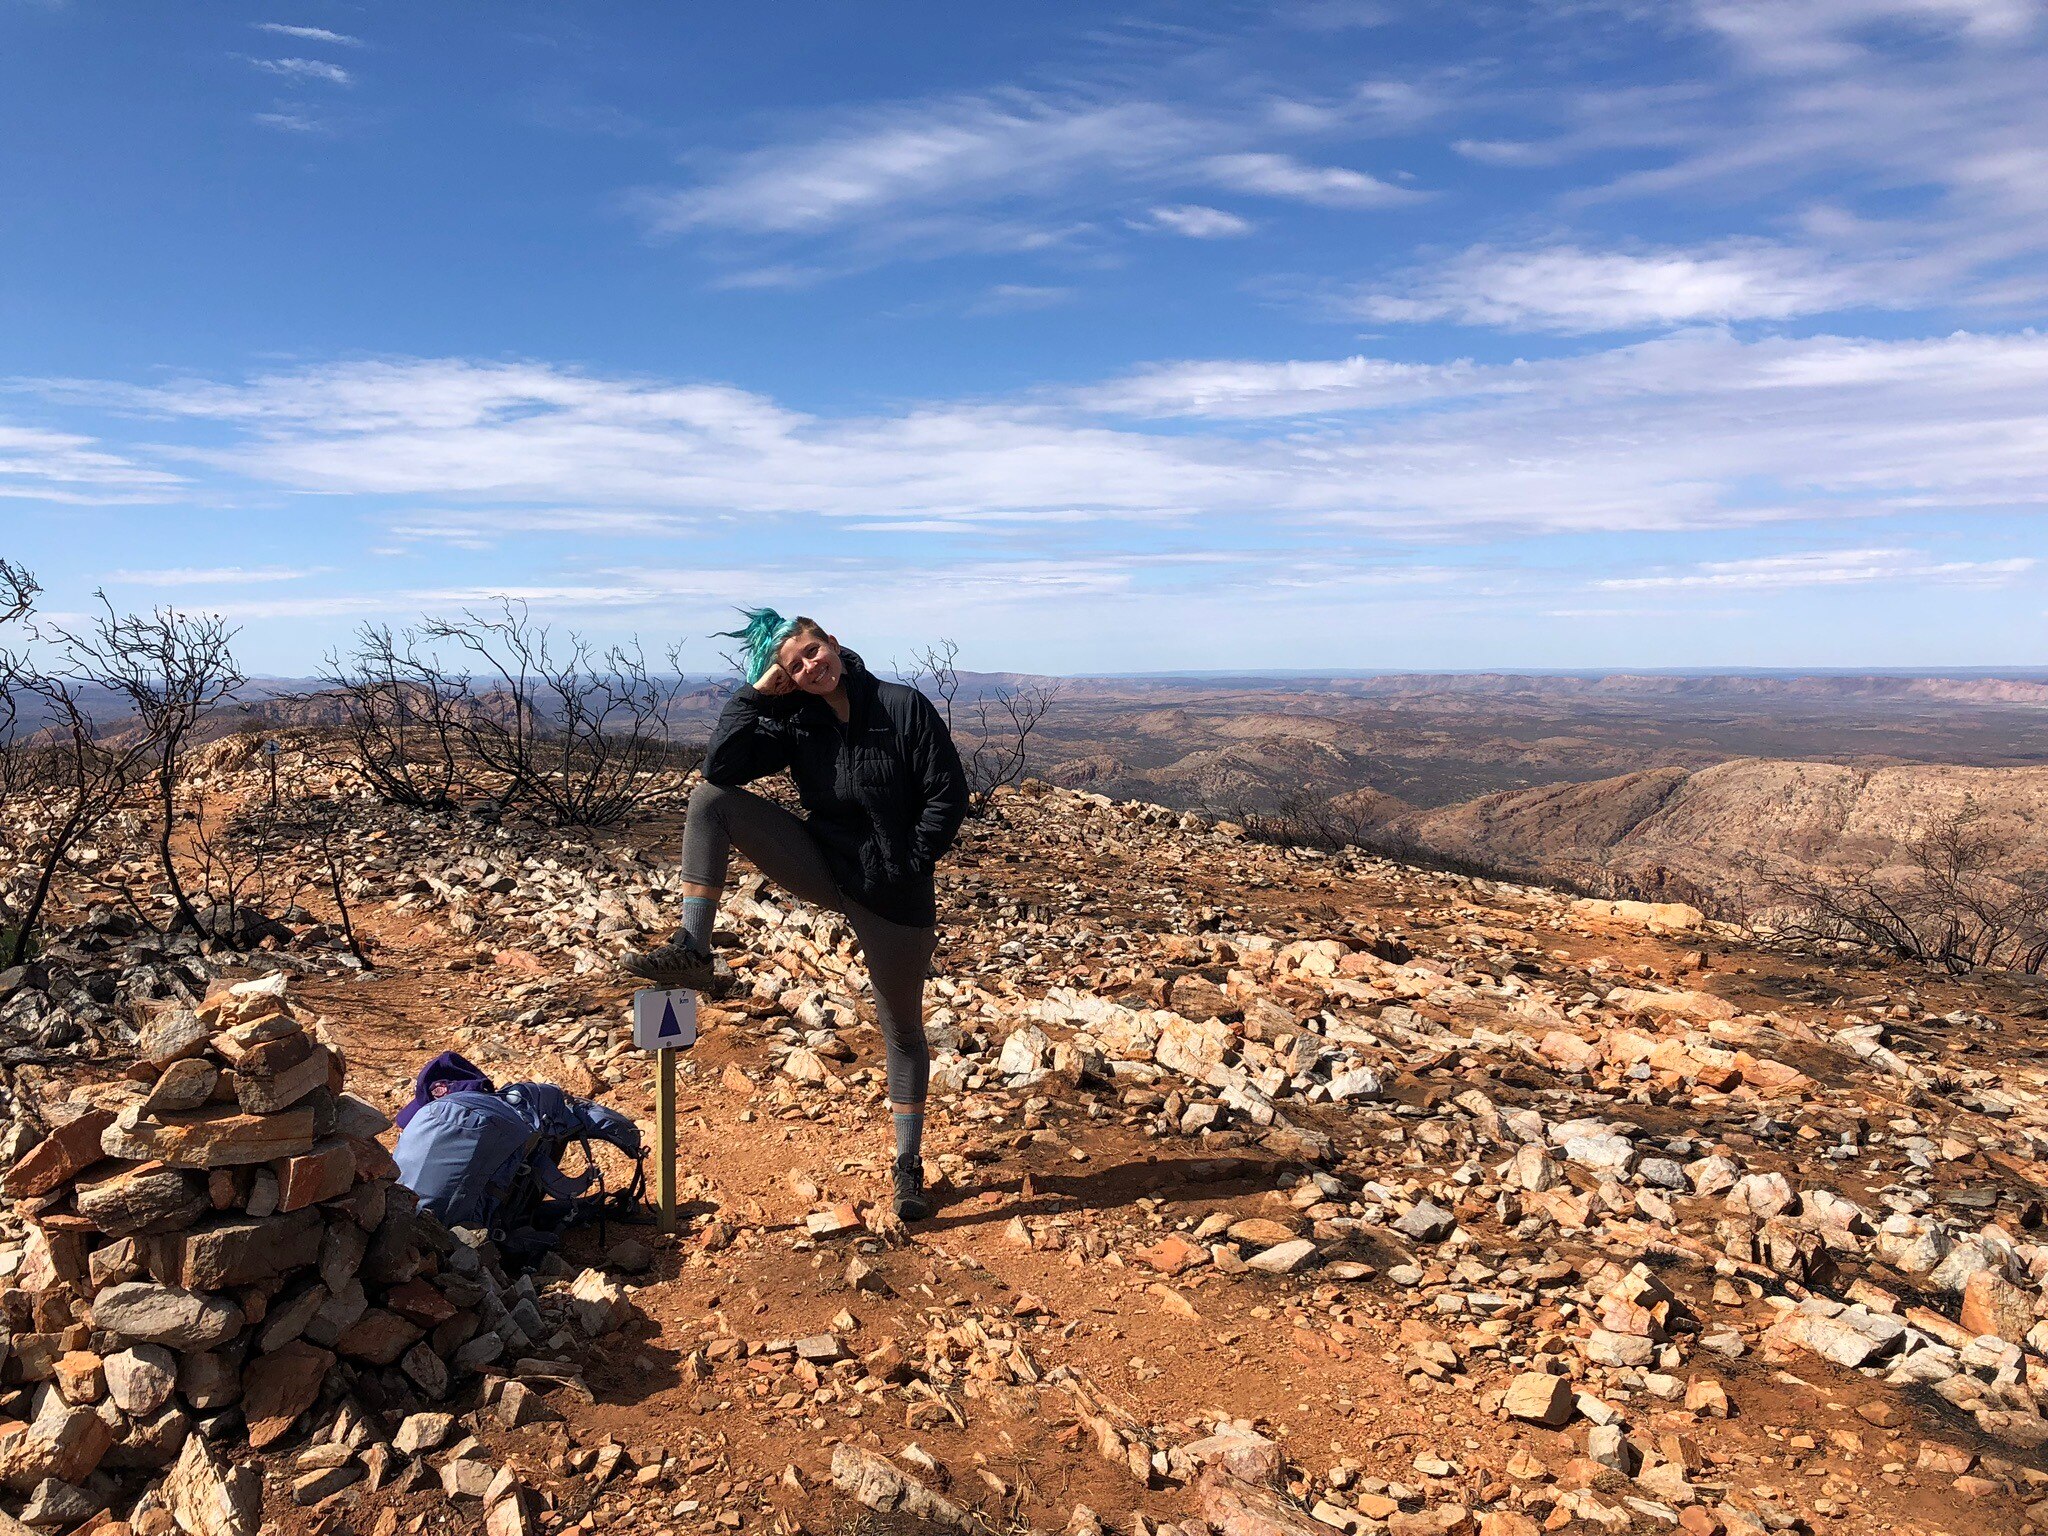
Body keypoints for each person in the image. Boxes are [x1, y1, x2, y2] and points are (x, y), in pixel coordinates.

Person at [623, 608, 969, 1221]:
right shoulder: (798, 721)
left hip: (894, 895)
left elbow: (947, 793)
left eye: (814, 651)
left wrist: (909, 861)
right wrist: (757, 694)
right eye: (794, 665)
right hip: (827, 867)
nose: (812, 667)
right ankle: (693, 947)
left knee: (903, 1031)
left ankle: (908, 1166)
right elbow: (721, 768)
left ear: (833, 641)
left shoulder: (902, 706)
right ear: (786, 675)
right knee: (711, 802)